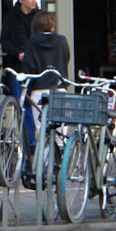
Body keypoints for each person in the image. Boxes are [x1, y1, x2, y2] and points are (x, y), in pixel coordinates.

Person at [20, 10, 69, 144]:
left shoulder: (31, 43)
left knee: (42, 133)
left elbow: (28, 68)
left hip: (39, 91)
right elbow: (66, 59)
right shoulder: (61, 40)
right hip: (59, 89)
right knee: (61, 133)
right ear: (52, 25)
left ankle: (46, 163)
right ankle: (61, 162)